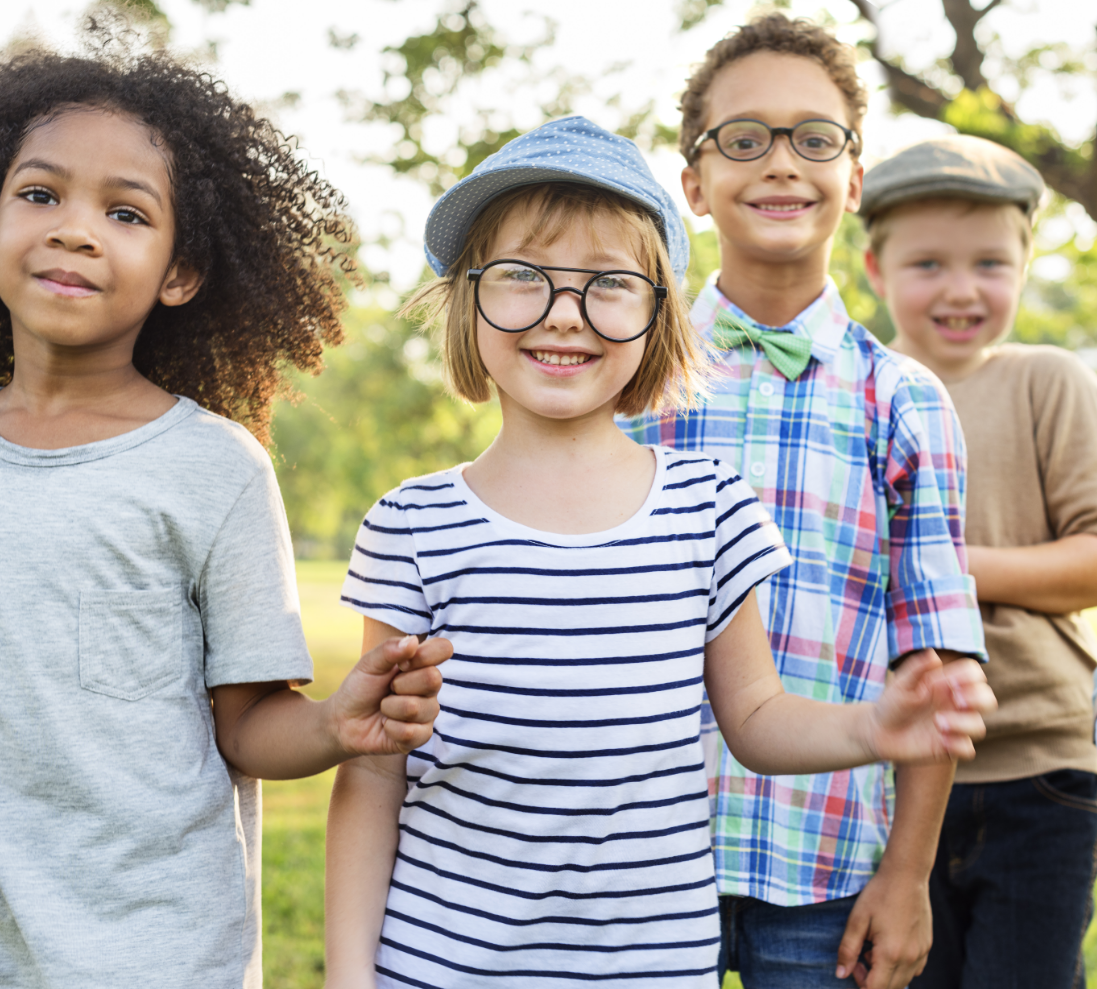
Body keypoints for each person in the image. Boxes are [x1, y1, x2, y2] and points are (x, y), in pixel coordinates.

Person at [324, 114, 995, 989]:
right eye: (523, 277)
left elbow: (754, 718)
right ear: (468, 299)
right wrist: (347, 976)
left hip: (650, 969)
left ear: (656, 318)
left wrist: (870, 726)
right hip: (441, 964)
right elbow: (374, 775)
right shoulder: (412, 524)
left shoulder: (709, 508)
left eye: (608, 284)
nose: (564, 313)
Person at [0, 34, 448, 989]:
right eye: (39, 194)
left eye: (125, 212)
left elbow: (245, 725)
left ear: (181, 273)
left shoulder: (212, 467)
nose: (74, 228)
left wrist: (335, 722)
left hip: (151, 953)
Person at [625, 14, 988, 989]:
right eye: (743, 138)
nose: (779, 163)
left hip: (826, 862)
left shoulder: (903, 399)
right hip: (639, 861)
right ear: (693, 183)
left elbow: (934, 650)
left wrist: (907, 872)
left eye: (812, 138)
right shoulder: (625, 382)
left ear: (853, 177)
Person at [861, 134, 1097, 989]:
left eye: (990, 263)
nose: (961, 289)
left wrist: (942, 571)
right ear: (875, 270)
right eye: (928, 263)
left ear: (1025, 266)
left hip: (1041, 765)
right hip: (882, 771)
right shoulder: (857, 387)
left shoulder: (1048, 382)